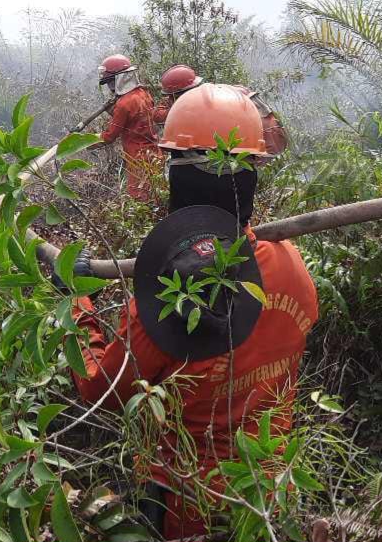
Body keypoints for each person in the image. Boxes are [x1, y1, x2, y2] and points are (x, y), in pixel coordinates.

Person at [67, 84, 318, 538]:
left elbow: (99, 391)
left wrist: (77, 301)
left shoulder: (169, 295)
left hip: (185, 504)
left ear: (176, 179)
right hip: (271, 494)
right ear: (252, 174)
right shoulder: (291, 264)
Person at [153, 64, 288, 157]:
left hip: (258, 149)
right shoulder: (227, 93)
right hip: (267, 144)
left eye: (171, 98)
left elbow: (160, 116)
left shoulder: (203, 107)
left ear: (178, 94)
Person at [95, 54, 162, 201]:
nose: (109, 87)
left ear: (120, 79)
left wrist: (83, 143)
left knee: (140, 200)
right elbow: (134, 120)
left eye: (110, 82)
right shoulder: (144, 94)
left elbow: (109, 137)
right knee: (157, 196)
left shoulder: (124, 103)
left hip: (138, 159)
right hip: (155, 154)